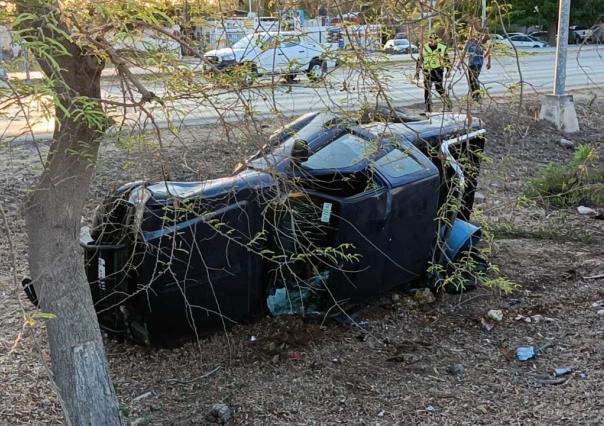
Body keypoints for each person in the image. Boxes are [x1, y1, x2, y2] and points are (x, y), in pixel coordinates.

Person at [415, 33, 452, 113]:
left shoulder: (442, 48)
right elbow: (420, 60)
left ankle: (448, 103)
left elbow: (447, 60)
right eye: (431, 38)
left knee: (439, 89)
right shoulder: (424, 47)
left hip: (438, 70)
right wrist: (417, 72)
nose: (432, 40)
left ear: (437, 39)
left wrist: (448, 71)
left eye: (434, 38)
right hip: (427, 71)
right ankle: (428, 109)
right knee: (427, 90)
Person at [459, 29, 492, 101]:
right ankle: (474, 96)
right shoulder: (468, 42)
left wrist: (489, 62)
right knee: (471, 81)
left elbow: (487, 53)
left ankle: (478, 96)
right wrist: (459, 63)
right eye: (471, 33)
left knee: (474, 79)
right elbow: (464, 53)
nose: (472, 35)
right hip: (470, 64)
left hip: (478, 63)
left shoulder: (480, 42)